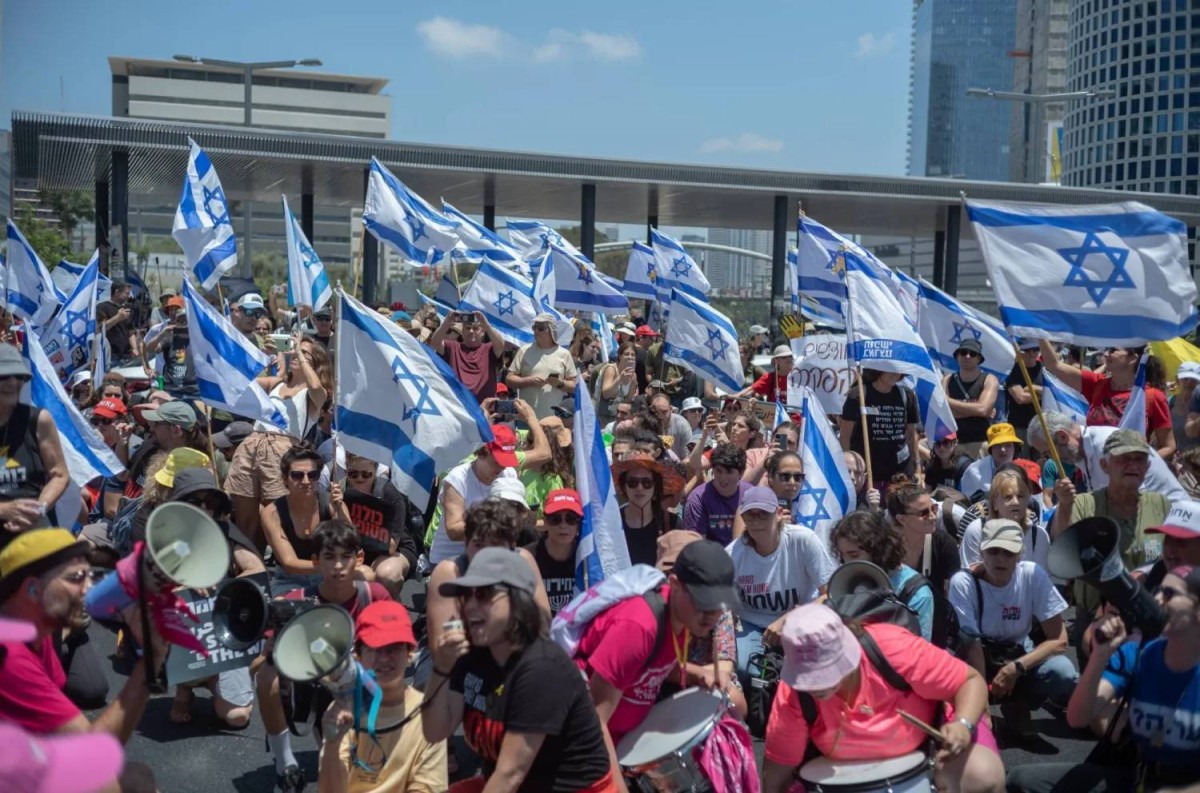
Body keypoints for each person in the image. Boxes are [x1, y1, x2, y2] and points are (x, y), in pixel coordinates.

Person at [761, 603, 1003, 793]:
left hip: (933, 744)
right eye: (808, 677)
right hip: (845, 776)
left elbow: (969, 681)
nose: (816, 685)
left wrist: (963, 724)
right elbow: (776, 775)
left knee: (981, 775)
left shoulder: (893, 648)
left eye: (825, 673)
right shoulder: (793, 693)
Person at [0, 529, 166, 792]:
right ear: (32, 588)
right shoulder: (11, 657)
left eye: (89, 576)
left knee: (137, 778)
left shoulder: (36, 632)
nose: (88, 588)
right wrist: (148, 664)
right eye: (76, 578)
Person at [1007, 567, 1200, 793]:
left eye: (1169, 594)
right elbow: (1077, 718)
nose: (1157, 600)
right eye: (1158, 591)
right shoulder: (1138, 653)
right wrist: (1100, 655)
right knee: (1020, 780)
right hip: (1137, 779)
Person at [573, 540, 741, 779]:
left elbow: (651, 666)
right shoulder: (638, 626)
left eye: (718, 605)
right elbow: (594, 721)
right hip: (591, 745)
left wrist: (698, 674)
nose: (712, 615)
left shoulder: (682, 616)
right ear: (674, 584)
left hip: (628, 739)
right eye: (703, 602)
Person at [253, 519, 391, 793]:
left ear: (359, 558)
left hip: (361, 692)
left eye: (345, 557)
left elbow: (398, 656)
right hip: (315, 693)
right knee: (267, 673)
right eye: (329, 557)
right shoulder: (295, 603)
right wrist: (273, 650)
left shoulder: (374, 596)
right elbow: (254, 668)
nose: (338, 566)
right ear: (316, 560)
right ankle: (286, 766)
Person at [949, 520, 1076, 738]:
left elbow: (1059, 640)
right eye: (993, 551)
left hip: (1017, 655)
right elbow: (971, 646)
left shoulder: (1032, 575)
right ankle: (973, 706)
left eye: (1008, 553)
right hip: (976, 658)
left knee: (1062, 671)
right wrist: (982, 706)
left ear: (1020, 555)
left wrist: (1016, 668)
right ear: (981, 552)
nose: (1000, 559)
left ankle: (1019, 702)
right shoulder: (963, 582)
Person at [1053, 429, 1172, 645]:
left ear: (1147, 467)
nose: (1132, 465)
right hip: (1095, 624)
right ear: (1104, 465)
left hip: (1150, 621)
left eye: (1139, 459)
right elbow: (1065, 549)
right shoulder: (1083, 503)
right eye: (1124, 459)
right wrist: (1065, 506)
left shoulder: (1161, 504)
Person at [423, 500, 552, 692]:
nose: (487, 553)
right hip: (458, 661)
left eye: (496, 545)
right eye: (479, 545)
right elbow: (445, 645)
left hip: (511, 655)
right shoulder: (450, 572)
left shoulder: (524, 560)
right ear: (465, 544)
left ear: (512, 546)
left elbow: (543, 624)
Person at [318, 600, 447, 793]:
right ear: (358, 656)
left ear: (410, 653)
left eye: (394, 648)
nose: (384, 658)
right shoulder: (343, 710)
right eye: (374, 648)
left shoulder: (430, 717)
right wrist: (332, 746)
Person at [227, 332, 331, 546]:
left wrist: (299, 354)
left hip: (281, 449)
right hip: (253, 443)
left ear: (315, 363)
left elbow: (317, 388)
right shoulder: (276, 383)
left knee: (277, 515)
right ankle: (248, 560)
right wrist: (263, 357)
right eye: (295, 350)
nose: (296, 354)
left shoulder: (313, 395)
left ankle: (283, 560)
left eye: (304, 353)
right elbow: (244, 383)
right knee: (245, 518)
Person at [726, 485, 836, 687]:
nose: (756, 521)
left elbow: (831, 593)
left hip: (802, 617)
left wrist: (791, 618)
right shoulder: (733, 554)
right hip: (752, 623)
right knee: (745, 669)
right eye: (750, 515)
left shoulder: (803, 540)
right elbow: (724, 607)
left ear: (778, 514)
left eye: (763, 514)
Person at [426, 405, 551, 564]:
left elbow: (544, 454)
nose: (502, 467)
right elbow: (453, 530)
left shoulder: (509, 472)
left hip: (491, 554)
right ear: (481, 453)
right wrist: (497, 523)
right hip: (451, 558)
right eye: (496, 462)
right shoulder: (458, 479)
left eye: (506, 461)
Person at [1040, 340, 1175, 459]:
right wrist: (1039, 331)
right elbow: (1054, 365)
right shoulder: (1096, 384)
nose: (1105, 354)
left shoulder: (1153, 396)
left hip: (1129, 475)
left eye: (1113, 350)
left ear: (1133, 358)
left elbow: (1169, 446)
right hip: (1093, 472)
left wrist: (1141, 463)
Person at [1028, 410, 1187, 504]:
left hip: (1174, 524)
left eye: (1048, 452)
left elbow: (1136, 503)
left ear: (1062, 436)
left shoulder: (1109, 444)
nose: (1051, 459)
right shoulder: (1084, 454)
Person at [0, 345, 69, 547]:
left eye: (18, 376)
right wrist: (4, 510)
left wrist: (38, 509)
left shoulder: (38, 420)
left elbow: (59, 475)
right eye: (3, 376)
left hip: (33, 528)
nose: (12, 382)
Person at [833, 510, 937, 642]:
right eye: (842, 555)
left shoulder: (917, 594)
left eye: (854, 555)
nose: (846, 563)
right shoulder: (845, 581)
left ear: (877, 550)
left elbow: (919, 648)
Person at [260, 447, 348, 594]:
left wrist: (339, 509)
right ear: (284, 478)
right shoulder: (273, 512)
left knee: (367, 576)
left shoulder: (332, 503)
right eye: (297, 475)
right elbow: (289, 563)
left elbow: (350, 545)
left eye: (313, 475)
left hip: (331, 575)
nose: (306, 481)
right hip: (290, 579)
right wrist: (330, 565)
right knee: (283, 604)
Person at [887, 479, 962, 648]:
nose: (933, 517)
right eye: (924, 513)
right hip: (893, 633)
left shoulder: (944, 544)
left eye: (934, 509)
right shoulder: (884, 548)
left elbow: (952, 596)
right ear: (901, 519)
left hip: (936, 634)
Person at [340, 453, 420, 598]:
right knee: (358, 575)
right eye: (353, 474)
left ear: (375, 472)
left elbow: (391, 546)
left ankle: (391, 606)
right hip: (355, 551)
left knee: (387, 574)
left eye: (366, 474)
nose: (359, 479)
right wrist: (338, 507)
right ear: (346, 472)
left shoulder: (389, 493)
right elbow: (337, 537)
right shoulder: (339, 491)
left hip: (393, 549)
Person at [839, 369, 921, 495]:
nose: (895, 373)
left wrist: (917, 469)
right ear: (877, 369)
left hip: (901, 474)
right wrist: (846, 469)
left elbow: (912, 435)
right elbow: (845, 436)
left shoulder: (907, 395)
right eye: (889, 368)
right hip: (868, 474)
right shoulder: (859, 394)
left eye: (898, 369)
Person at [959, 469, 1051, 570]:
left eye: (1020, 496)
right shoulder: (977, 530)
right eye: (1008, 497)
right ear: (994, 503)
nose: (1016, 502)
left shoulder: (1039, 536)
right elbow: (970, 575)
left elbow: (1041, 577)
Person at [612, 453, 684, 566]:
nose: (639, 488)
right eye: (633, 482)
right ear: (624, 486)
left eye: (647, 483)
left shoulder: (672, 523)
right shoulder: (612, 524)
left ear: (655, 486)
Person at [506, 313, 578, 420]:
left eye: (541, 328)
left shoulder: (564, 354)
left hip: (553, 420)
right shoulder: (524, 350)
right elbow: (509, 379)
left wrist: (560, 383)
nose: (536, 331)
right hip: (525, 418)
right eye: (534, 327)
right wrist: (528, 381)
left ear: (551, 331)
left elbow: (575, 386)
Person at [524, 489, 581, 616]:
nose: (563, 525)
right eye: (555, 519)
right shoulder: (528, 558)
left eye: (571, 519)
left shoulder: (587, 559)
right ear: (545, 522)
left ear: (579, 523)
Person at [683, 443, 751, 545]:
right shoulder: (698, 499)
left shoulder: (751, 495)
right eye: (719, 471)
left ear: (741, 473)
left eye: (729, 472)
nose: (723, 478)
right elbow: (697, 546)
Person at [432, 309, 504, 403]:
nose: (471, 331)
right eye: (467, 328)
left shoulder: (489, 348)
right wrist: (446, 323)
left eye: (475, 328)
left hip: (485, 407)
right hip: (460, 405)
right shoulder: (453, 347)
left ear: (482, 332)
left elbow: (500, 344)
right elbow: (435, 342)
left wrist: (485, 324)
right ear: (462, 331)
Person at [943, 339, 999, 459]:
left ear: (979, 359)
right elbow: (945, 413)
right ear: (957, 356)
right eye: (963, 352)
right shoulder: (947, 380)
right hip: (953, 444)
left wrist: (949, 401)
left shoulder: (989, 379)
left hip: (980, 442)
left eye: (972, 354)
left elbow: (983, 409)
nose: (967, 356)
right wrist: (975, 408)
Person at [958, 423, 1022, 500]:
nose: (1003, 449)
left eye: (1008, 445)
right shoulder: (974, 472)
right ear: (991, 449)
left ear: (1015, 448)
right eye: (997, 445)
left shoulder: (1024, 469)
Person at [1004, 340, 1044, 453]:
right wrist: (1043, 394)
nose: (1031, 354)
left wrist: (1032, 387)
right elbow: (1020, 398)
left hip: (1040, 426)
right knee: (1022, 459)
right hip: (1020, 426)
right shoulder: (1013, 371)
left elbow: (1052, 392)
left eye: (1035, 350)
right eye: (1027, 350)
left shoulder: (1044, 370)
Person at [595, 341, 640, 424]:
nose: (630, 357)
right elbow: (606, 394)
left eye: (633, 355)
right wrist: (620, 379)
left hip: (619, 416)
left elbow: (628, 399)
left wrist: (634, 384)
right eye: (626, 354)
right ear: (620, 356)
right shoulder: (611, 369)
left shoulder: (633, 375)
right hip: (603, 415)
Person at [96, 280, 139, 364]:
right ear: (117, 292)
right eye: (126, 293)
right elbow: (101, 328)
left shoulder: (127, 309)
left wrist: (134, 348)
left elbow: (131, 332)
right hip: (111, 356)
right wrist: (118, 317)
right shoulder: (102, 307)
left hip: (127, 356)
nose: (128, 296)